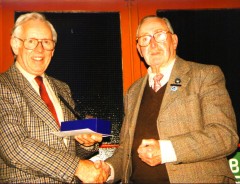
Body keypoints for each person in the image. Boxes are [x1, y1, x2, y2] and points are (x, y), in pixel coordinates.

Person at [103, 15, 239, 183]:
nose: (152, 44)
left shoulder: (205, 75)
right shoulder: (133, 91)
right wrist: (108, 170)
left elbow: (225, 136)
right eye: (145, 39)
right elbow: (126, 150)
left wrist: (167, 150)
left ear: (173, 41)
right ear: (139, 50)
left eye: (159, 35)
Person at [0, 12, 109, 183]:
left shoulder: (62, 88)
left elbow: (68, 147)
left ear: (53, 50)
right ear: (15, 45)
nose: (40, 49)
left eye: (46, 42)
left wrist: (84, 143)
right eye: (31, 41)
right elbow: (15, 148)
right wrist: (77, 167)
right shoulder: (3, 85)